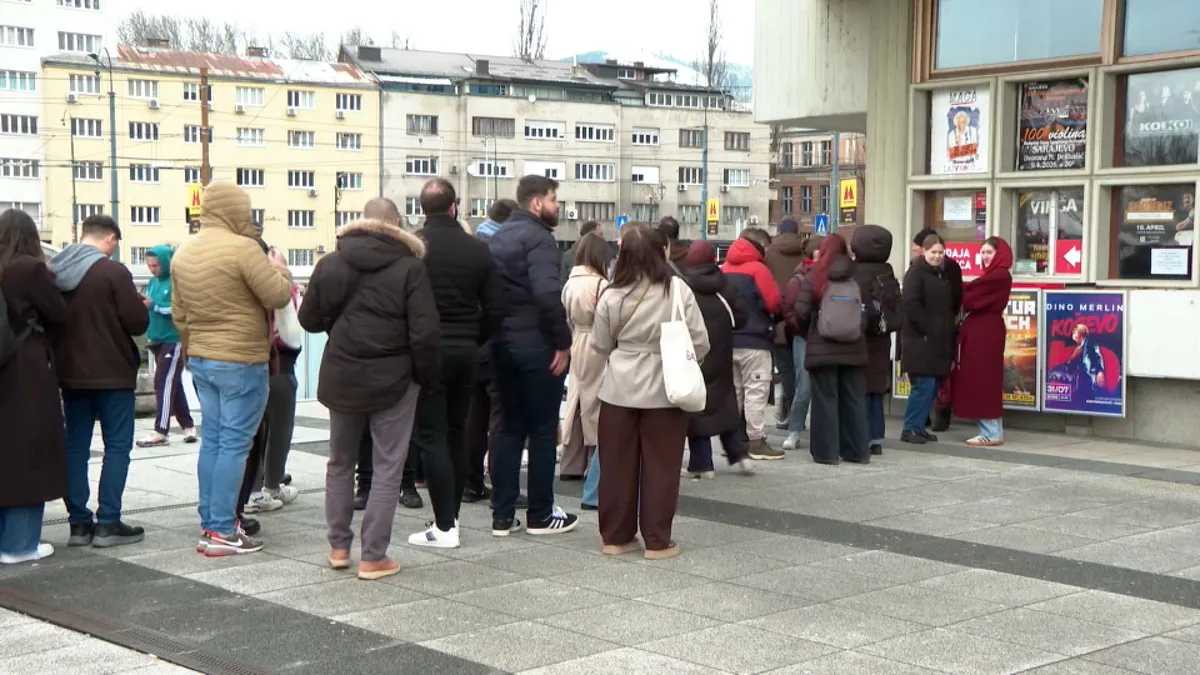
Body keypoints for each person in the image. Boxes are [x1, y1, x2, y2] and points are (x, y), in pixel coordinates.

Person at [298, 206, 440, 579]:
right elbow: (424, 333)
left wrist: (342, 329)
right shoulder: (410, 267)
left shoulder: (331, 263)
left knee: (339, 463)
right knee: (389, 465)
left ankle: (339, 546)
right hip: (394, 377)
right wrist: (424, 378)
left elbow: (308, 319)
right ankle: (374, 555)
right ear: (395, 225)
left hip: (342, 374)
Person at [171, 182, 293, 556]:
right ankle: (224, 529)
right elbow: (277, 295)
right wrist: (282, 271)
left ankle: (211, 523)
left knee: (213, 441)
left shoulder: (183, 252)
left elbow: (179, 315)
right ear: (236, 211)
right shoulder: (243, 249)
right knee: (235, 446)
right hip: (241, 361)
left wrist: (196, 347)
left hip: (203, 360)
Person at [592, 226, 709, 559]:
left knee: (615, 465)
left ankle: (615, 537)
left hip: (618, 389)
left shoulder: (611, 295)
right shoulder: (677, 290)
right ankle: (657, 540)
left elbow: (600, 344)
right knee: (662, 466)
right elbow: (700, 340)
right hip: (665, 390)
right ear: (664, 251)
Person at [407, 179, 502, 549]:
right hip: (466, 351)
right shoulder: (478, 249)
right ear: (454, 207)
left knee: (431, 436)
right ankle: (452, 518)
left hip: (426, 353)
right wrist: (475, 338)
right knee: (457, 432)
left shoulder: (413, 249)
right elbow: (495, 307)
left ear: (422, 208)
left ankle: (445, 526)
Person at [50, 214, 149, 549]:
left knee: (75, 446)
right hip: (112, 373)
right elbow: (136, 322)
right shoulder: (111, 271)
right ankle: (108, 523)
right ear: (110, 239)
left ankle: (78, 525)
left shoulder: (56, 271)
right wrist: (142, 305)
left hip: (70, 374)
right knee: (117, 446)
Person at [487, 175, 578, 536]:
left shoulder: (498, 237)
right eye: (555, 199)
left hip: (501, 345)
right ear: (537, 203)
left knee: (508, 428)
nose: (559, 206)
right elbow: (545, 295)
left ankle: (502, 514)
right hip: (536, 346)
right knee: (541, 432)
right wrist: (563, 342)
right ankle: (540, 512)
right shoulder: (539, 238)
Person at [0, 209, 68, 563]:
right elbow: (58, 313)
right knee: (30, 451)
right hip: (26, 367)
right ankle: (19, 544)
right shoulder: (29, 269)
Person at [348, 199, 425, 512]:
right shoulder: (411, 262)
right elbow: (420, 317)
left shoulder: (342, 256)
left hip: (355, 355)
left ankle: (365, 485)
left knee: (365, 427)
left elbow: (319, 313)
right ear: (395, 223)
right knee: (402, 428)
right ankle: (404, 484)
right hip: (397, 354)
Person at [793, 234, 870, 464]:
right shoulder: (858, 275)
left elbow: (801, 310)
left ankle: (826, 453)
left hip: (822, 347)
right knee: (854, 399)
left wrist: (812, 331)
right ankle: (856, 451)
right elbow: (870, 311)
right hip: (854, 347)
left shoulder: (815, 275)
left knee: (825, 399)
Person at [681, 240, 754, 479]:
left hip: (694, 352)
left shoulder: (684, 287)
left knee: (697, 405)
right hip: (722, 350)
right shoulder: (725, 284)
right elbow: (741, 318)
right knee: (724, 402)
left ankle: (702, 464)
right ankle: (739, 455)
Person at [465, 198, 519, 504]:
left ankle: (471, 483)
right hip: (498, 339)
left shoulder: (473, 245)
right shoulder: (504, 250)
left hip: (470, 340)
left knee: (474, 416)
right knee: (502, 417)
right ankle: (501, 485)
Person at [720, 229, 783, 460]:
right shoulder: (759, 270)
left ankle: (735, 441)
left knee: (735, 392)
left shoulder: (724, 269)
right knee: (755, 391)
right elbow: (774, 303)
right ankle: (756, 441)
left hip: (729, 340)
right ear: (760, 246)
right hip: (755, 341)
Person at [952, 237, 1013, 447]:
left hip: (985, 333)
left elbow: (970, 298)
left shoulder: (998, 276)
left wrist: (957, 288)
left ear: (1000, 254)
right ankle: (990, 429)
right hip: (983, 331)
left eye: (989, 252)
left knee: (984, 379)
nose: (985, 256)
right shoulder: (994, 275)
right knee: (981, 379)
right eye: (983, 252)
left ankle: (991, 431)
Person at [561, 233, 611, 488]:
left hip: (576, 340)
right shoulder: (601, 285)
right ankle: (594, 462)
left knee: (575, 399)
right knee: (594, 403)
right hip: (596, 343)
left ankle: (570, 462)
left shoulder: (570, 282)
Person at [137, 244, 197, 448]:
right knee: (174, 383)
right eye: (149, 265)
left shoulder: (176, 282)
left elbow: (178, 309)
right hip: (157, 339)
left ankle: (161, 430)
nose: (152, 269)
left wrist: (154, 306)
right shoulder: (153, 282)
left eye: (155, 265)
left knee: (163, 381)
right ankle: (188, 426)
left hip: (174, 338)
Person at [900, 233, 957, 445]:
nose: (937, 256)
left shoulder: (938, 274)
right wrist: (927, 329)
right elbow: (911, 305)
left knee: (931, 386)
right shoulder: (916, 273)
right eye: (933, 252)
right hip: (920, 341)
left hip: (935, 342)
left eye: (941, 252)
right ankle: (910, 428)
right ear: (924, 251)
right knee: (922, 386)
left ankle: (917, 428)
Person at [850, 225, 901, 456]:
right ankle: (876, 438)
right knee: (875, 390)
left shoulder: (855, 274)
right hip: (881, 340)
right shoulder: (888, 274)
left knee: (858, 389)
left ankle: (860, 435)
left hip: (858, 339)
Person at [764, 218, 808, 431]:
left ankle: (785, 413)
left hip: (778, 318)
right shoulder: (804, 252)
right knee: (800, 369)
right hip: (799, 317)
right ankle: (795, 414)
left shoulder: (768, 254)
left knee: (785, 369)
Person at [781, 236, 822, 451]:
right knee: (804, 386)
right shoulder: (798, 279)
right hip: (804, 336)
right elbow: (788, 308)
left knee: (820, 387)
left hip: (821, 336)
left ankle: (818, 431)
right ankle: (794, 430)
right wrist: (802, 327)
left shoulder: (829, 276)